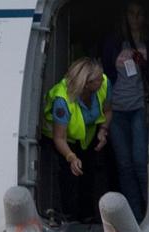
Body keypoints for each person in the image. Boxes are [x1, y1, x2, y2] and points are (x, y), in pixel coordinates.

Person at [101, 0, 149, 221]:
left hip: (137, 107)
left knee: (140, 162)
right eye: (132, 14)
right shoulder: (113, 43)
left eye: (139, 14)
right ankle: (135, 215)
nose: (136, 18)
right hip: (115, 110)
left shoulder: (148, 42)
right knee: (124, 165)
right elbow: (104, 76)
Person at [42, 57, 109, 223]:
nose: (103, 80)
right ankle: (69, 219)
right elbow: (59, 137)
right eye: (98, 79)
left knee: (88, 175)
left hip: (88, 136)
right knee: (69, 178)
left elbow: (108, 110)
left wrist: (103, 130)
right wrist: (71, 157)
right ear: (86, 84)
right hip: (65, 141)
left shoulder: (104, 83)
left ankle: (87, 216)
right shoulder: (62, 100)